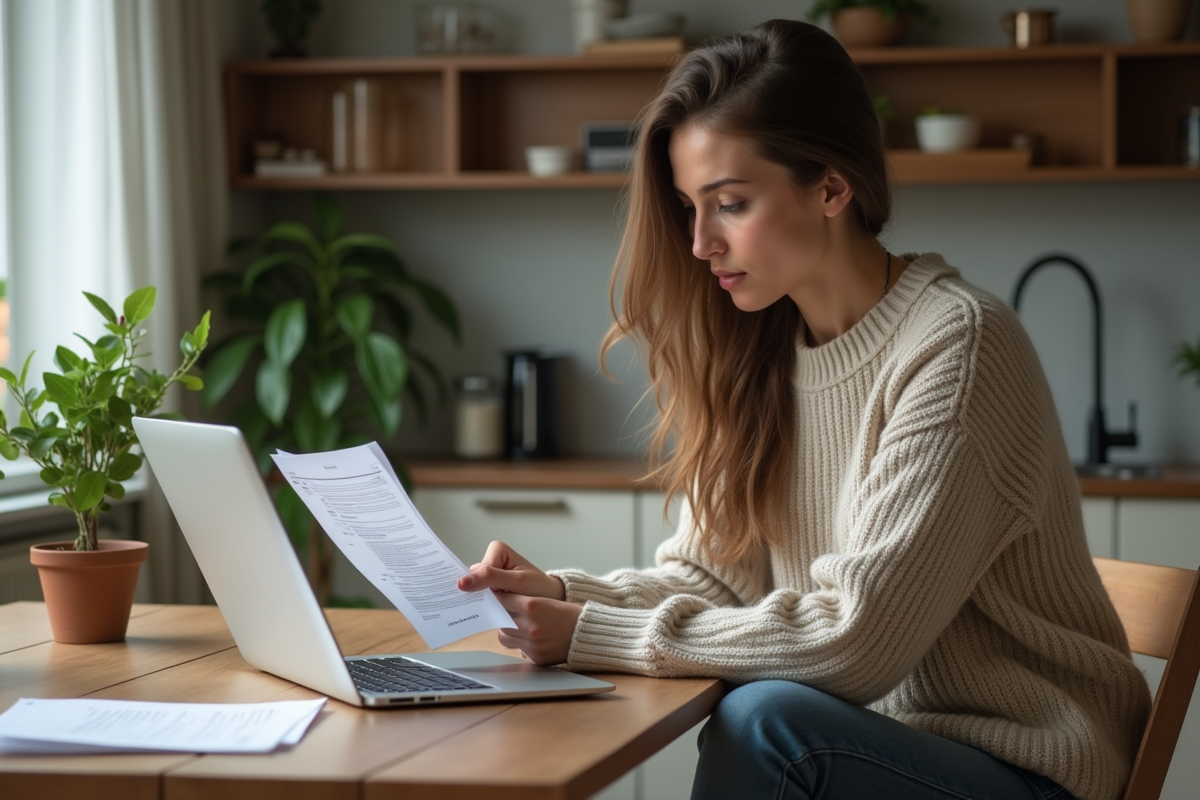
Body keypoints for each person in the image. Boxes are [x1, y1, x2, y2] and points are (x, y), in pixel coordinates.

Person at [456, 18, 1150, 800]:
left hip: (1029, 768)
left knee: (766, 725)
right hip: (879, 747)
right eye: (690, 208)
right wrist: (566, 595)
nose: (699, 244)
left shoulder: (959, 346)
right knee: (763, 716)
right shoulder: (762, 349)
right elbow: (713, 582)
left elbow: (857, 641)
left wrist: (595, 634)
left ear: (830, 185)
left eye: (730, 204)